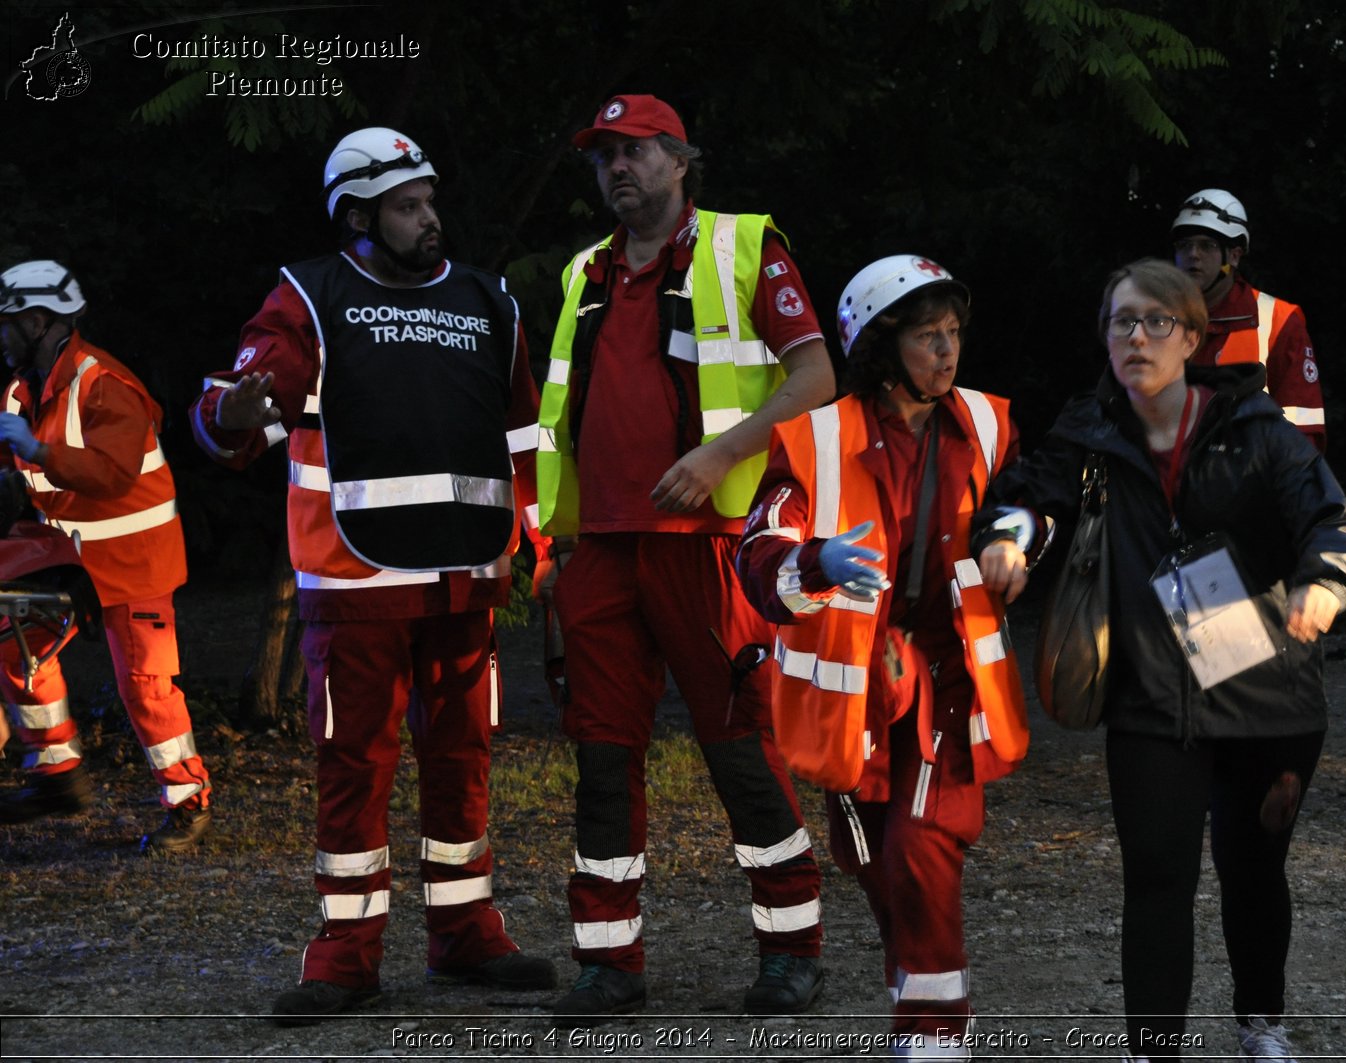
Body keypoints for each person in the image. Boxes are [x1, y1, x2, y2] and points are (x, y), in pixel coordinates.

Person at [189, 127, 556, 1022]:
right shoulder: (307, 298)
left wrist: (535, 541)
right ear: (357, 216)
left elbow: (521, 439)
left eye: (429, 200)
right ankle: (346, 955)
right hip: (354, 578)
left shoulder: (488, 299)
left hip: (467, 573)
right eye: (406, 205)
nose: (429, 217)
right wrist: (232, 410)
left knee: (463, 758)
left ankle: (465, 932)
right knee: (354, 766)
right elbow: (238, 410)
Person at [975, 259, 1346, 1061]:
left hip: (1268, 694)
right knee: (1157, 879)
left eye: (1158, 321)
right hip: (1151, 695)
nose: (1137, 336)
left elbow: (1343, 524)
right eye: (1122, 321)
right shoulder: (1087, 433)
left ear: (1193, 337)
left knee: (1252, 869)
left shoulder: (1256, 431)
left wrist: (1328, 585)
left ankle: (1260, 1022)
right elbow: (1024, 499)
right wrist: (1010, 539)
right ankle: (1152, 1050)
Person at [537, 94, 835, 1023]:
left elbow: (818, 374)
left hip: (707, 548)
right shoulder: (581, 273)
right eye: (602, 157)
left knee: (740, 749)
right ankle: (609, 961)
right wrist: (553, 544)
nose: (615, 169)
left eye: (632, 152)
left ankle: (793, 949)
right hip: (601, 552)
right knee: (602, 758)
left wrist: (722, 455)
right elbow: (557, 413)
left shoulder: (744, 245)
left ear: (678, 159)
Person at [737, 255, 1030, 1059]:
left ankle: (936, 1039)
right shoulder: (817, 437)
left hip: (945, 677)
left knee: (921, 847)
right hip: (853, 696)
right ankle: (923, 1005)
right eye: (928, 336)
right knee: (875, 858)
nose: (948, 351)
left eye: (954, 333)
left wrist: (1016, 541)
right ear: (876, 344)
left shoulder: (985, 420)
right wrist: (813, 562)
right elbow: (760, 552)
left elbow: (1026, 502)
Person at [0, 260, 215, 854]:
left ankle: (188, 801)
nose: (0, 335)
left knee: (147, 686)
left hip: (133, 558)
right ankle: (55, 776)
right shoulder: (23, 387)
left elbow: (112, 474)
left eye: (7, 322)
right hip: (66, 550)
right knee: (15, 641)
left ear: (38, 322)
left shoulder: (105, 384)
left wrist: (37, 451)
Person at [1170, 189, 1327, 452]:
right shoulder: (1155, 319)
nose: (1193, 254)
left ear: (1234, 255)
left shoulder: (1277, 320)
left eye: (1206, 245)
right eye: (1184, 245)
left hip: (1249, 485)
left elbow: (1303, 433)